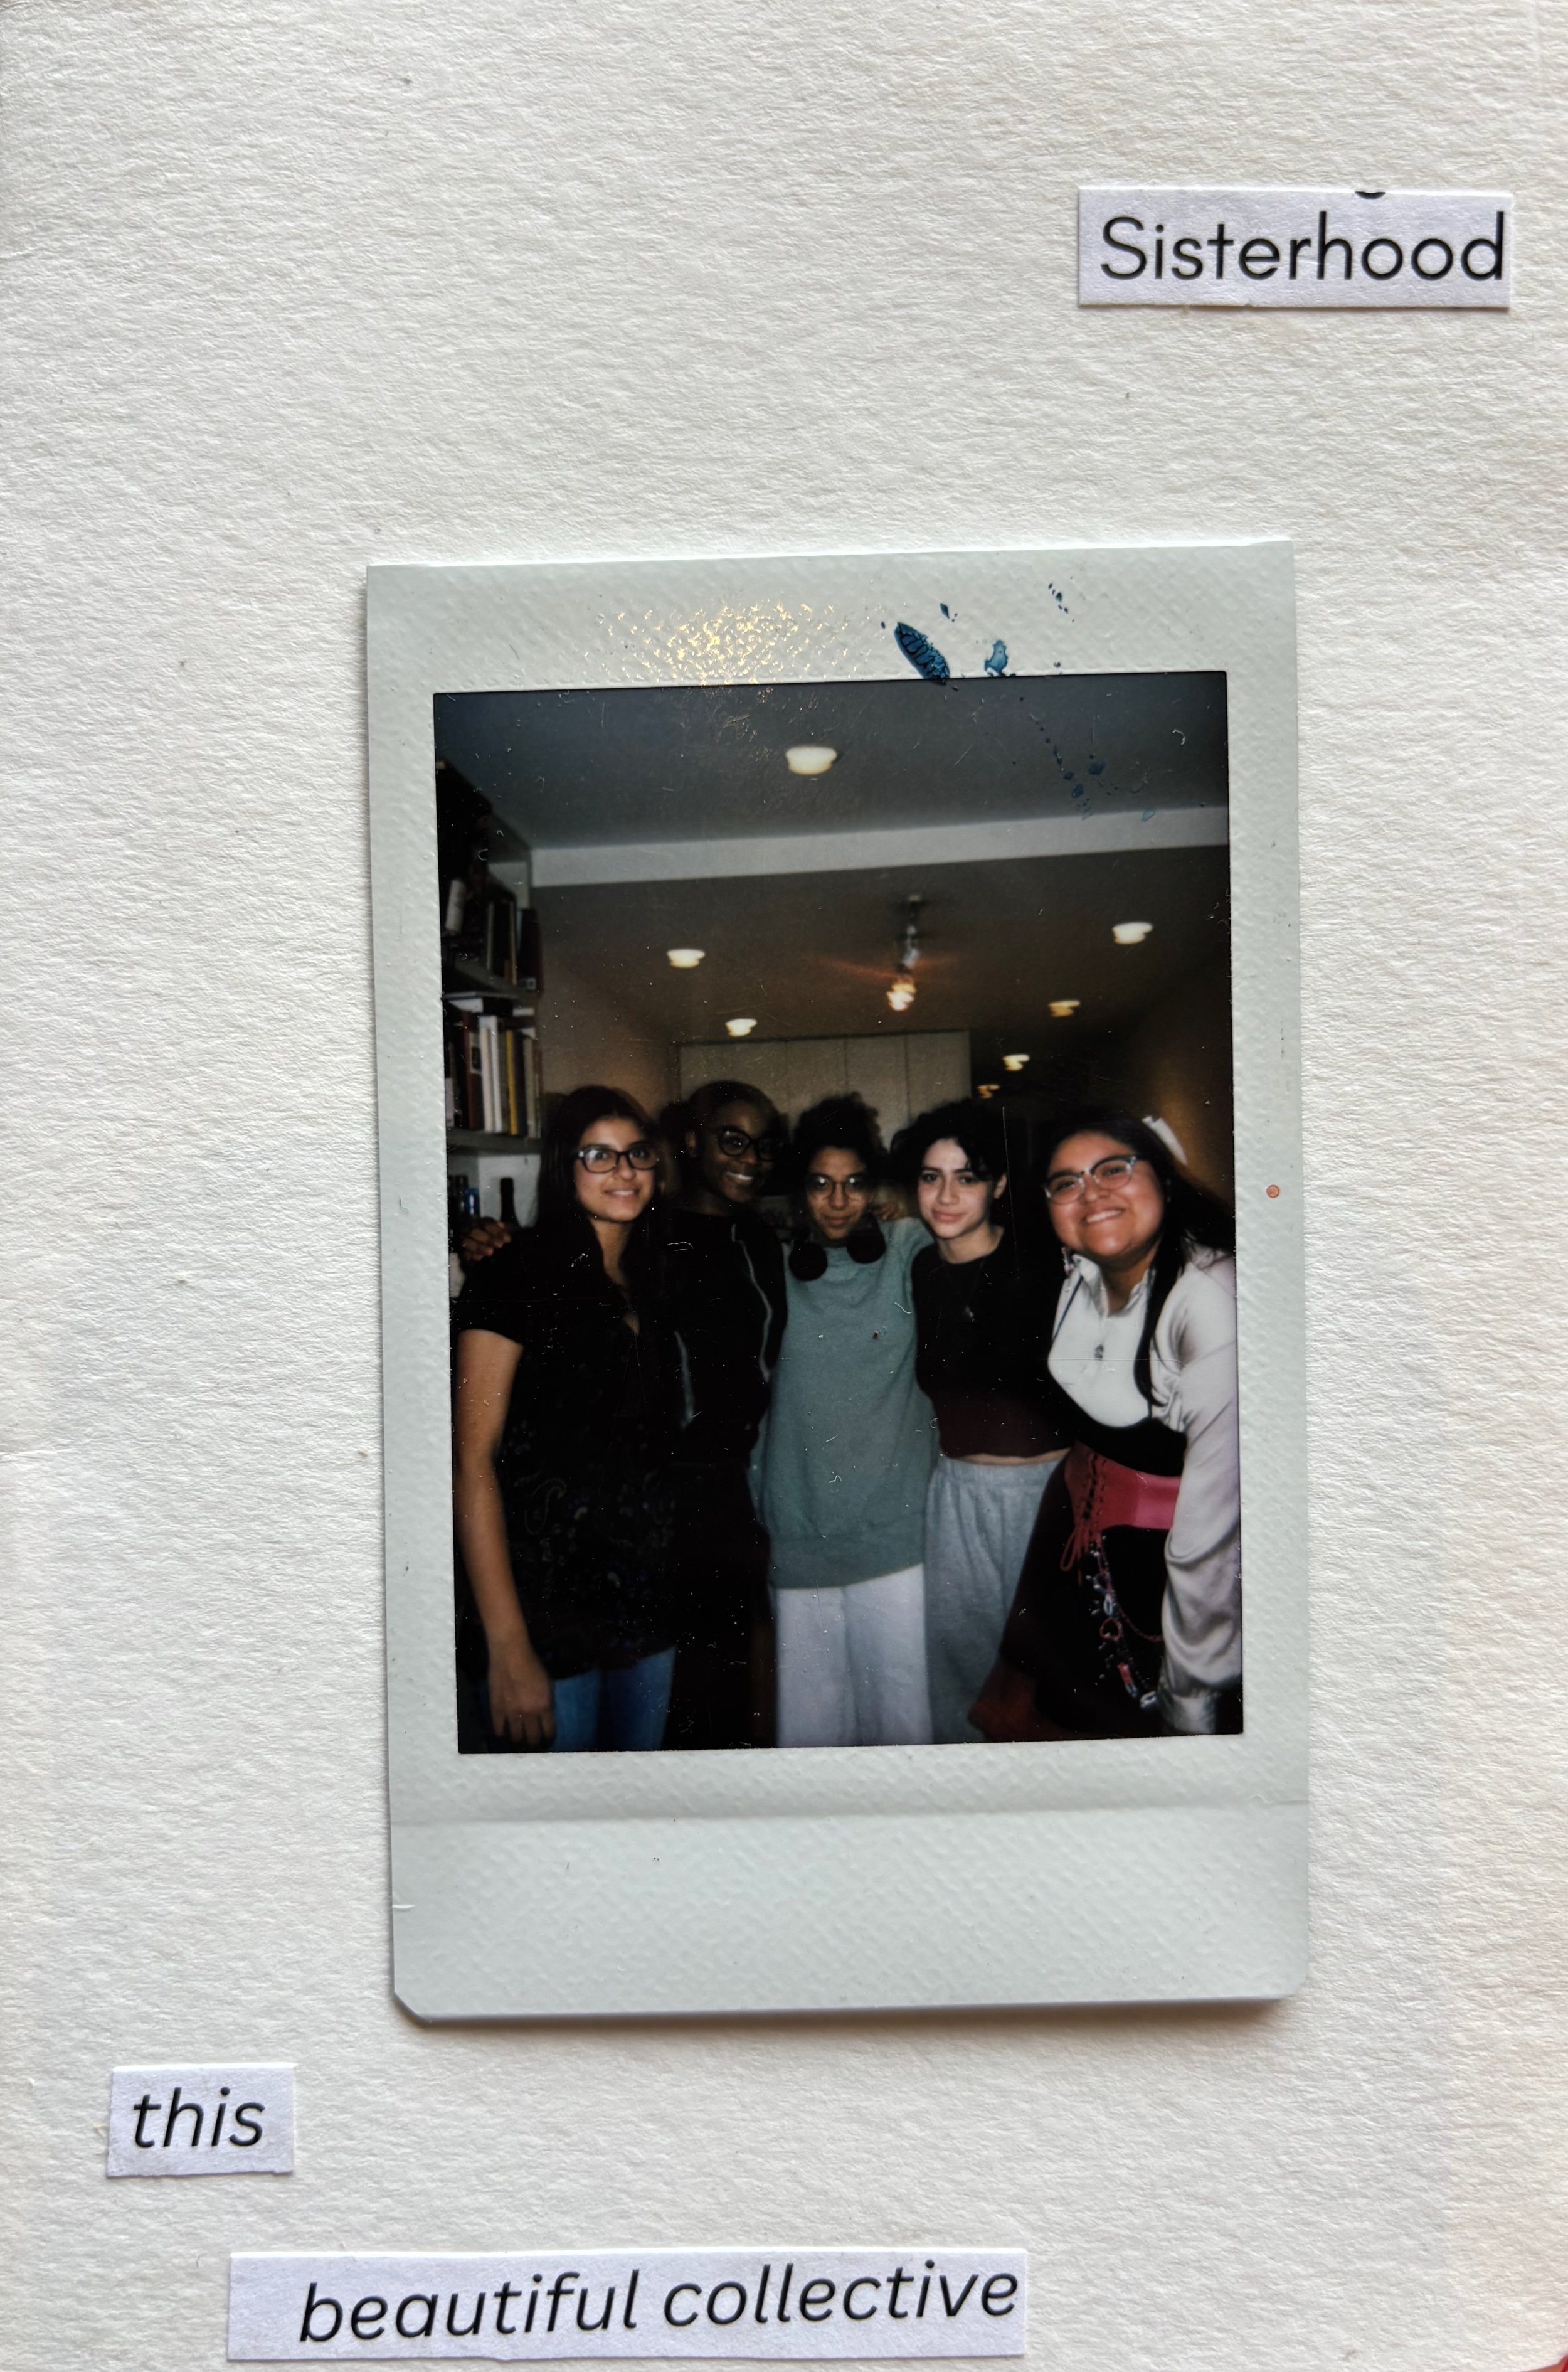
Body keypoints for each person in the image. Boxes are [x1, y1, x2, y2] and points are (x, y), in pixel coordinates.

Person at [972, 1110, 1241, 1741]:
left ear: (1164, 1180)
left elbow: (1213, 1535)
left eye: (1113, 1169)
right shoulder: (1082, 1276)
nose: (1091, 1193)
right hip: (1075, 1545)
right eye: (1066, 1182)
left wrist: (1190, 1691)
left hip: (1173, 1585)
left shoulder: (1208, 1301)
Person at [452, 1086, 679, 1752]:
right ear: (563, 1167)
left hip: (645, 1605)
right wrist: (508, 1645)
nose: (624, 1171)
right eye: (598, 1155)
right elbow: (471, 1460)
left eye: (636, 1153)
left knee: (638, 1803)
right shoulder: (512, 1273)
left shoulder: (652, 1276)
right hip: (544, 1612)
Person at [755, 1094, 935, 1747]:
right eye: (821, 1184)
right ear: (799, 1191)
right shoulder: (768, 1266)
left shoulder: (909, 1249)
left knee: (902, 1731)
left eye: (854, 1183)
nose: (838, 1201)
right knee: (811, 1739)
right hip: (799, 1532)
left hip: (896, 1537)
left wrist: (907, 1209)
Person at [894, 1101, 1069, 1744]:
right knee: (958, 1672)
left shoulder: (1042, 1263)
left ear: (997, 1185)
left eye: (966, 1178)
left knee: (1045, 1672)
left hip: (1044, 1494)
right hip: (956, 1494)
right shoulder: (921, 1269)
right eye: (931, 1177)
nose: (945, 1196)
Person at [658, 1080, 788, 1750]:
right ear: (692, 1140)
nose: (750, 1159)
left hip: (735, 1484)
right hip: (664, 1492)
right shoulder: (649, 1232)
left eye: (762, 1146)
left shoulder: (759, 1238)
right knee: (676, 1691)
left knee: (732, 1681)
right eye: (732, 1140)